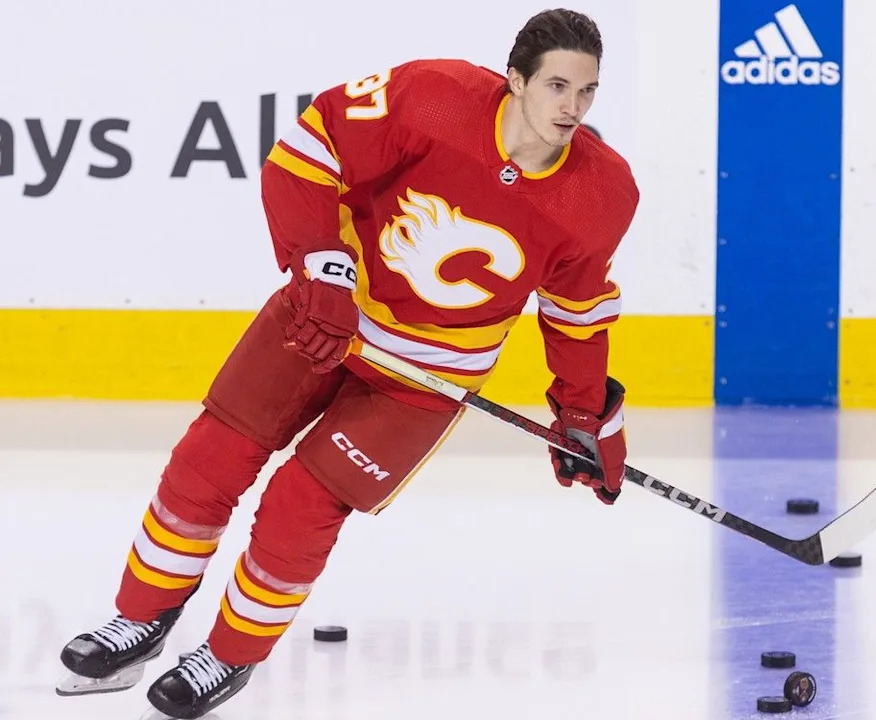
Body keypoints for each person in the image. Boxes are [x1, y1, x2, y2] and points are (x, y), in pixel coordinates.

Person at [55, 7, 639, 719]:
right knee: (211, 459)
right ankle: (140, 619)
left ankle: (229, 655)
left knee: (300, 507)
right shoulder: (434, 97)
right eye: (557, 86)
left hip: (426, 377)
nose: (573, 108)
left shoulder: (602, 192)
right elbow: (307, 151)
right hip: (324, 318)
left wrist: (583, 412)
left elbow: (576, 312)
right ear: (514, 79)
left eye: (587, 91)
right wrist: (321, 270)